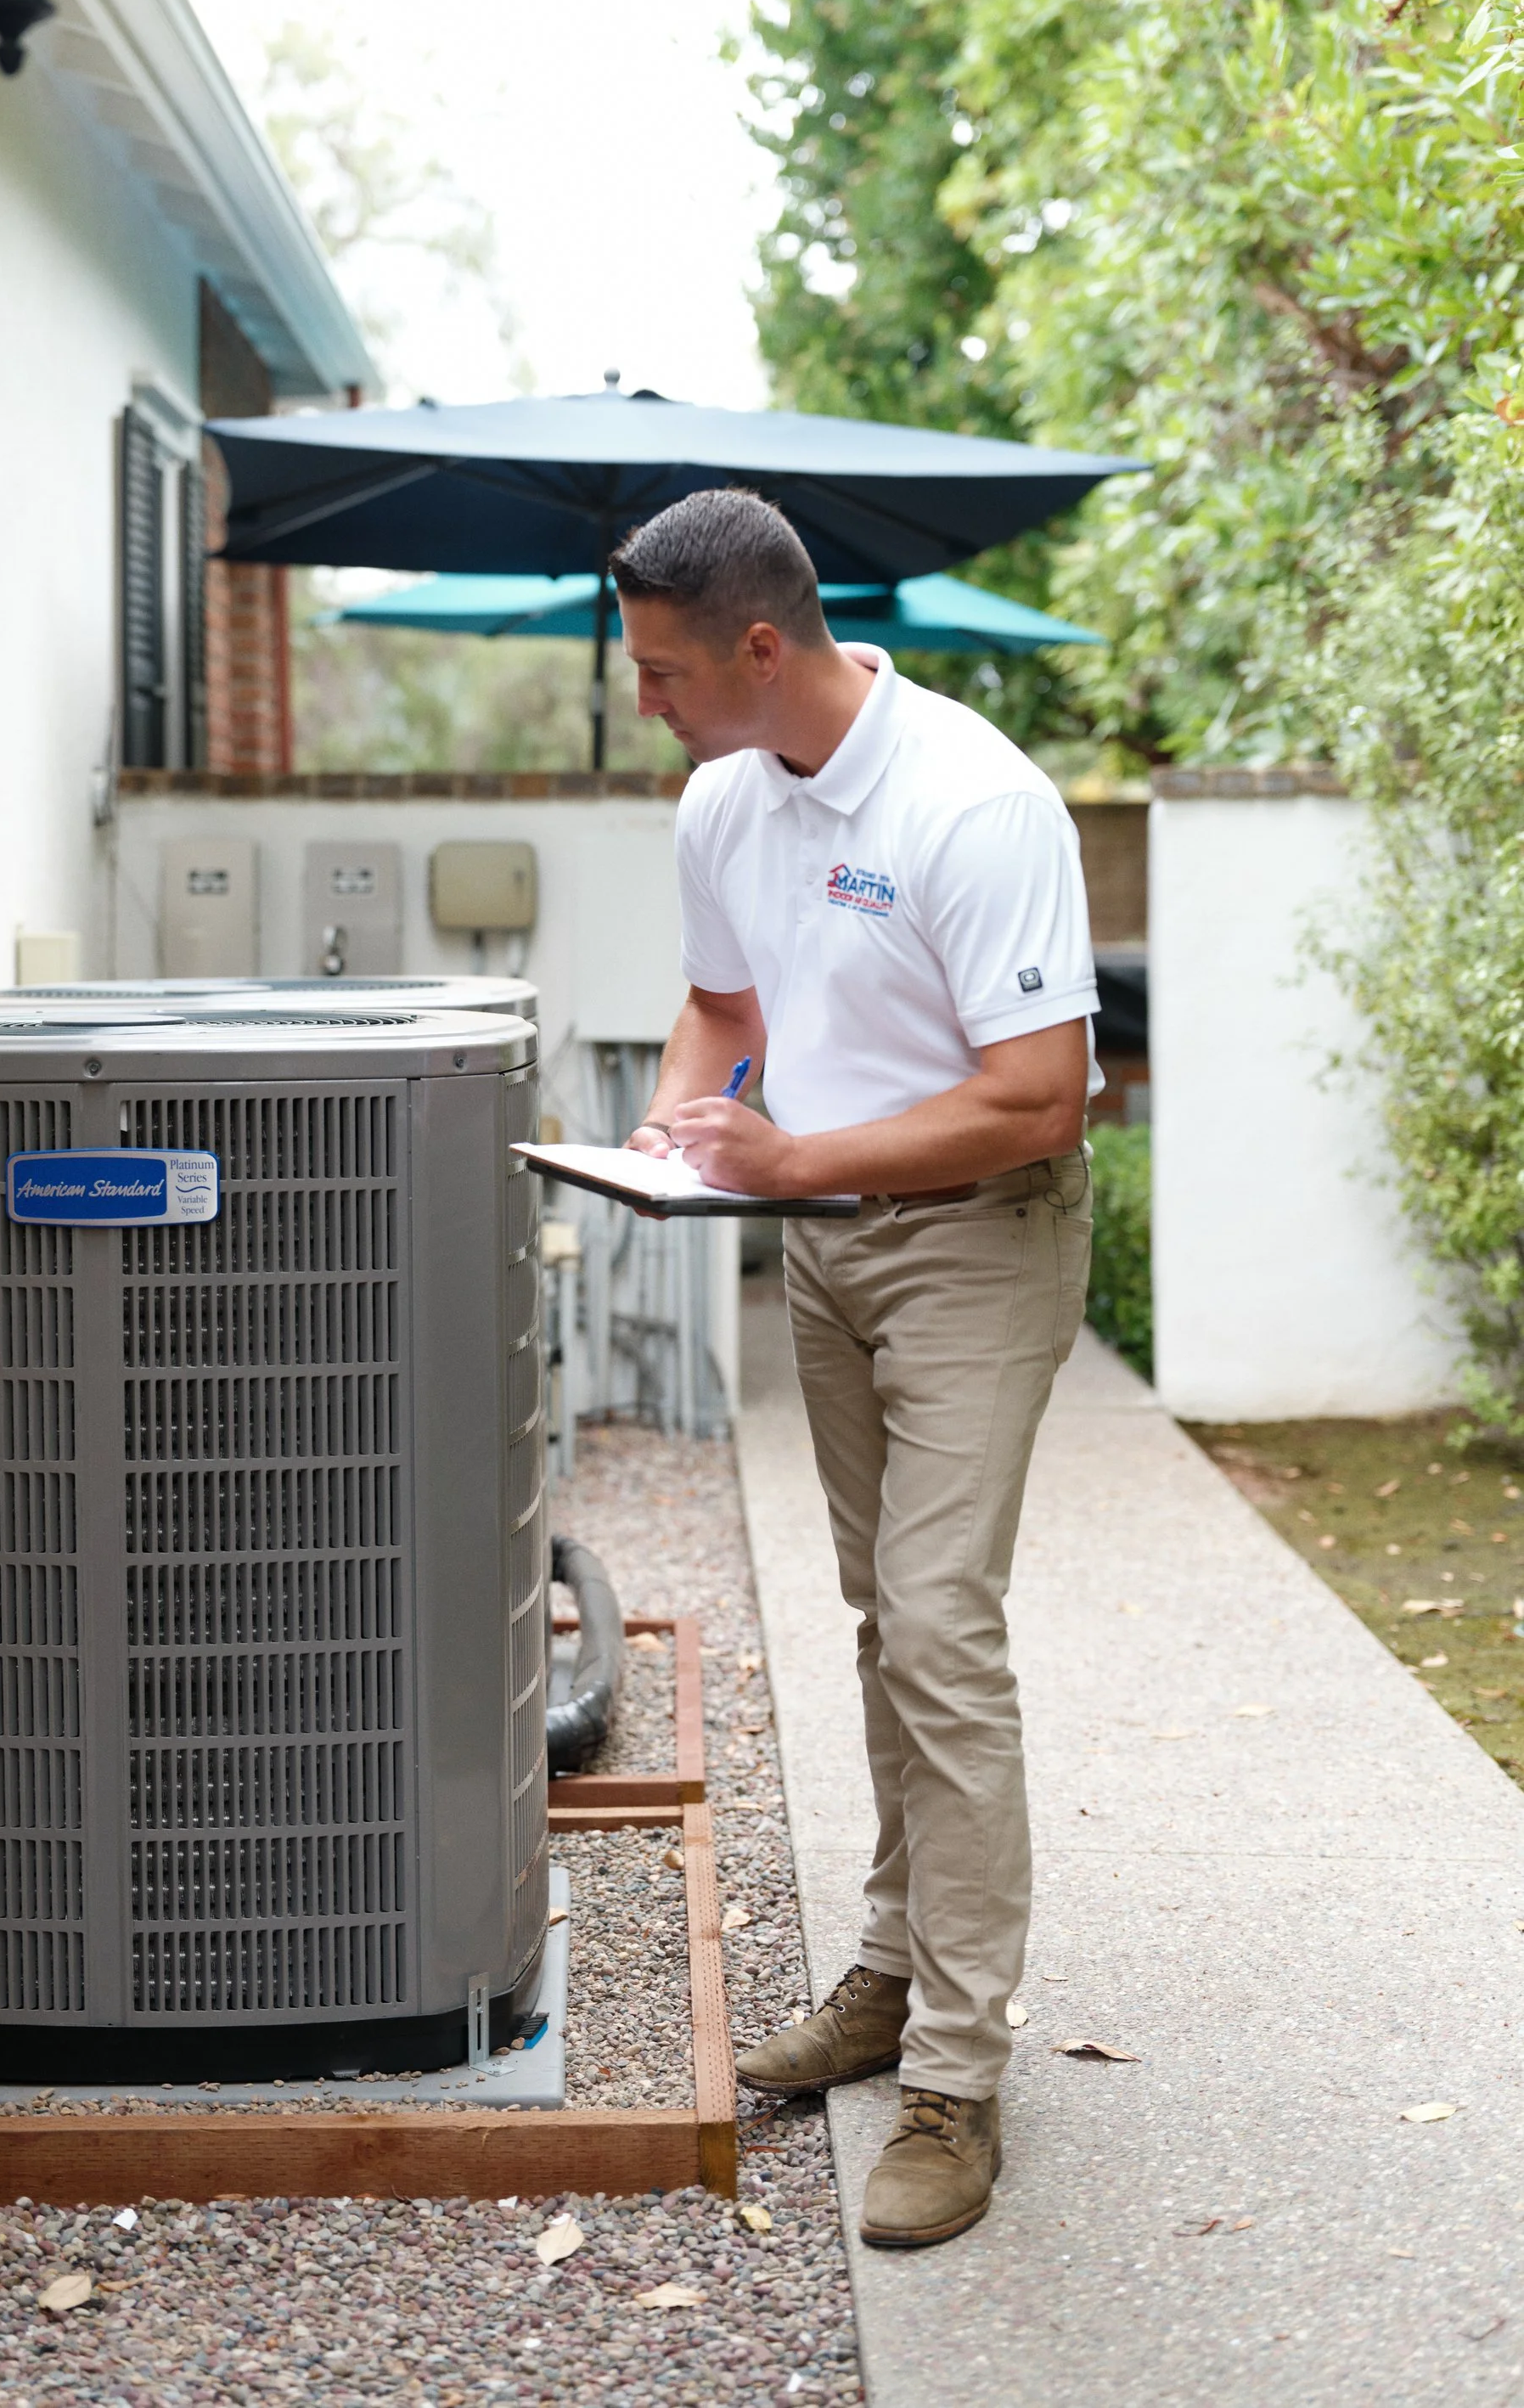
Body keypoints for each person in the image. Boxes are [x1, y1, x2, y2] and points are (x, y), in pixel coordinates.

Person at [614, 489, 1096, 2251]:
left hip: (976, 1231)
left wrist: (782, 1163)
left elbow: (1037, 1091)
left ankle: (958, 2081)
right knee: (883, 1620)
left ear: (761, 647)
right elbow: (724, 1012)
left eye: (664, 672)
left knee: (939, 1629)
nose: (645, 700)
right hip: (830, 1250)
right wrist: (693, 1116)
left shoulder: (971, 801)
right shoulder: (719, 803)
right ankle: (894, 1971)